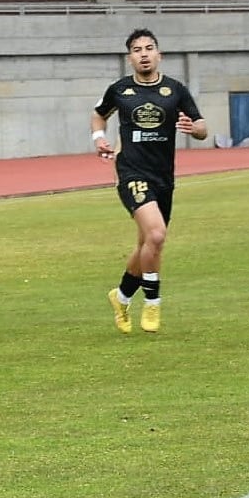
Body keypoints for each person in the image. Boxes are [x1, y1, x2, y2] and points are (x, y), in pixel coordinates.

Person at [95, 28, 205, 336]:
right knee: (156, 235)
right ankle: (153, 301)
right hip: (130, 172)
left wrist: (193, 128)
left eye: (149, 48)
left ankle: (121, 297)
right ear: (129, 57)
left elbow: (202, 126)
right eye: (137, 49)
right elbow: (98, 115)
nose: (143, 54)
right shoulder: (119, 90)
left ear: (159, 54)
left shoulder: (175, 90)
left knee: (147, 245)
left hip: (163, 177)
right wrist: (99, 138)